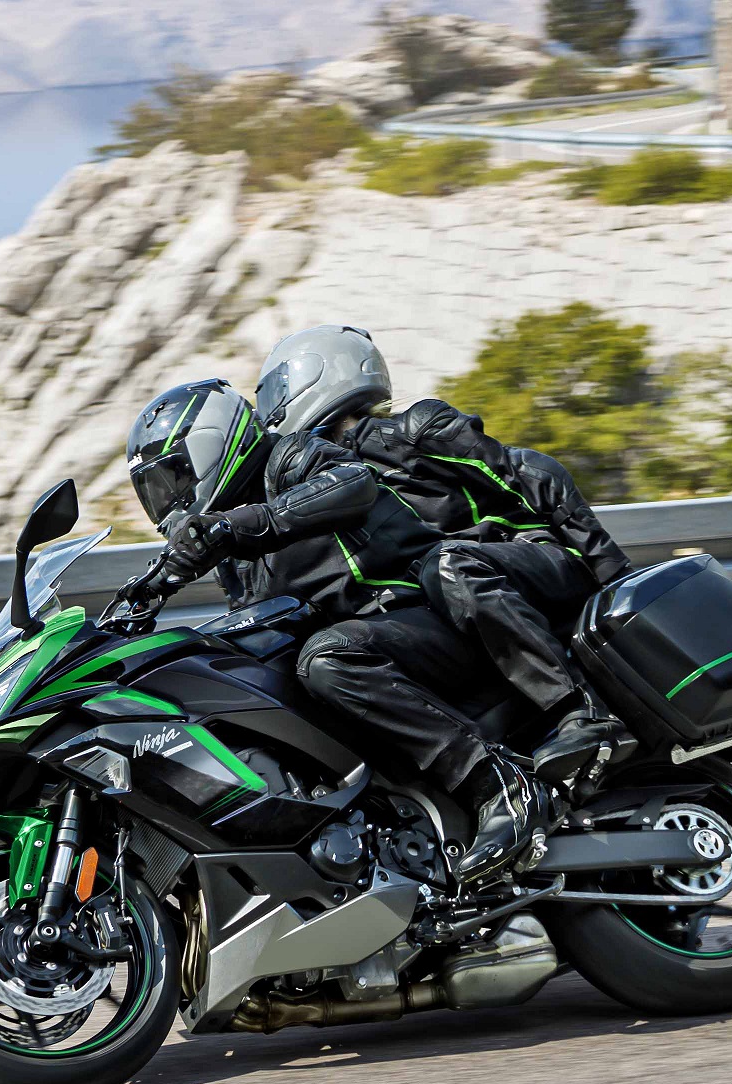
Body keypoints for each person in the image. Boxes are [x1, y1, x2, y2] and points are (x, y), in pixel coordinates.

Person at [121, 378, 542, 883]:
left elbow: (352, 483)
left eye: (172, 477)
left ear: (210, 446)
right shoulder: (231, 555)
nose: (168, 500)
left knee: (327, 659)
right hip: (376, 661)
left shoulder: (288, 459)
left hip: (427, 620)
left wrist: (239, 524)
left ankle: (498, 784)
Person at [253, 324, 636, 781]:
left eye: (276, 391)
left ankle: (580, 708)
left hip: (539, 564)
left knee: (449, 562)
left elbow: (536, 472)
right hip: (470, 601)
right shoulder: (326, 487)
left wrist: (614, 576)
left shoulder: (410, 432)